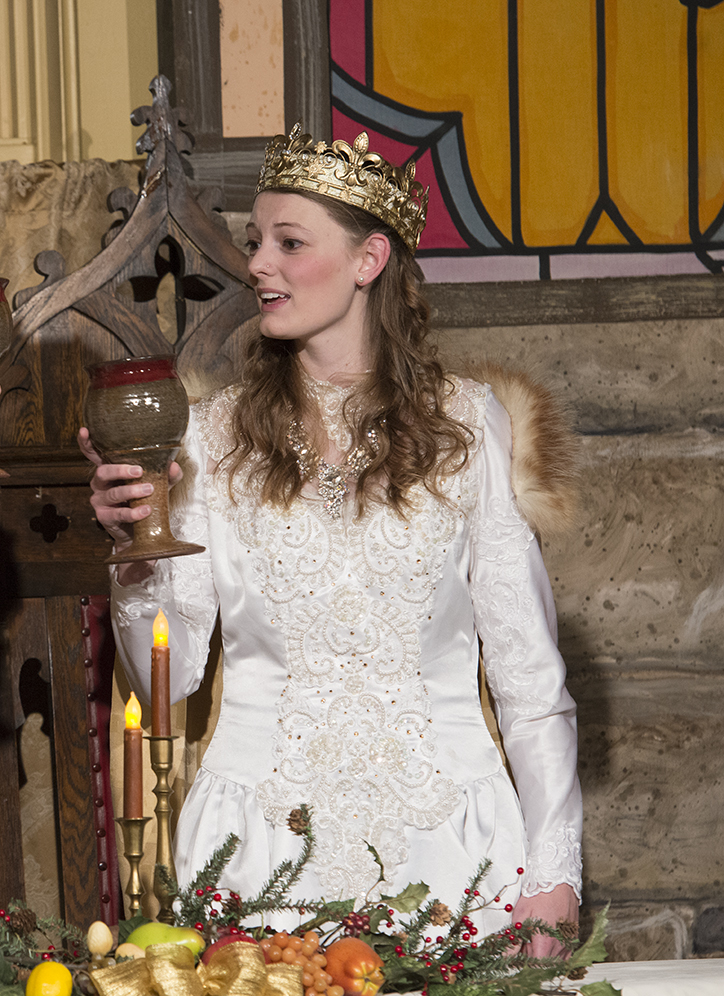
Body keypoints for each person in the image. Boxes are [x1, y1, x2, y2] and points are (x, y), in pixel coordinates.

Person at [84, 125, 581, 954]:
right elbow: (166, 684)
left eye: (288, 243)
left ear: (368, 260)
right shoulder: (208, 438)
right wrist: (139, 546)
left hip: (456, 855)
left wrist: (554, 874)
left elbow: (531, 681)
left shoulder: (468, 424)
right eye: (254, 244)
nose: (257, 266)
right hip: (256, 861)